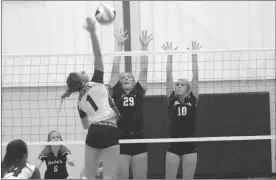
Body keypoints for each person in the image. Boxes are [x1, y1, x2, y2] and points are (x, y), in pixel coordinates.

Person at [61, 17, 120, 180]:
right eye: (81, 73)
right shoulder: (96, 81)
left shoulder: (79, 102)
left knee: (88, 175)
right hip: (109, 128)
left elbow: (86, 125)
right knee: (109, 177)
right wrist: (93, 32)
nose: (84, 71)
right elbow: (98, 54)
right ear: (81, 81)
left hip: (93, 132)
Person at [108, 29, 153, 179]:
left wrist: (145, 47)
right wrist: (119, 46)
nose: (126, 78)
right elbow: (115, 68)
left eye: (129, 77)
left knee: (141, 175)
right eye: (123, 77)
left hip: (139, 138)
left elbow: (144, 69)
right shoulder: (116, 91)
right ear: (119, 82)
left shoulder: (139, 90)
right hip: (120, 139)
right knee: (122, 176)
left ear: (134, 82)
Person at [163, 41, 201, 179]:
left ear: (188, 89)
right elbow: (168, 76)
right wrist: (169, 56)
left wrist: (194, 55)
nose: (178, 86)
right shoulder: (171, 99)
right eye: (177, 84)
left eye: (182, 85)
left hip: (190, 147)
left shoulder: (193, 98)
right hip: (173, 147)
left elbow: (195, 77)